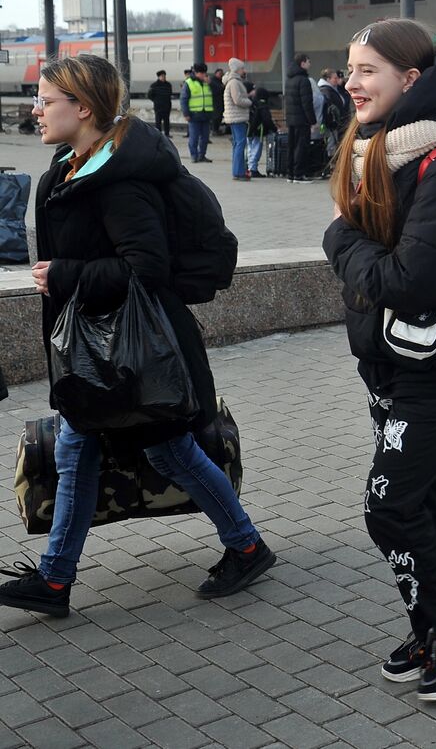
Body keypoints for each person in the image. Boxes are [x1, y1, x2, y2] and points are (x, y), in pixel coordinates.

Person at [0, 54, 274, 620]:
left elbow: (146, 267)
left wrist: (67, 274)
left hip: (138, 352)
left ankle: (246, 546)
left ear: (83, 108)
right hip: (106, 350)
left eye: (46, 100)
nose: (36, 109)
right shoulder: (75, 164)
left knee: (168, 450)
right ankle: (56, 581)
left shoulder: (118, 182)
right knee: (93, 449)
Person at [323, 18, 436, 702]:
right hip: (393, 357)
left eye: (368, 69)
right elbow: (378, 262)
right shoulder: (383, 147)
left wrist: (339, 243)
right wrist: (352, 248)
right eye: (350, 67)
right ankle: (434, 623)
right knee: (415, 494)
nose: (352, 82)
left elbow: (408, 280)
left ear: (411, 80)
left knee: (388, 504)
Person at [285, 52, 317, 184]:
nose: (310, 64)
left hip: (291, 119)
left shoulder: (290, 79)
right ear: (302, 63)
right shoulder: (304, 80)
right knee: (301, 146)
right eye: (308, 62)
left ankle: (291, 174)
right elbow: (307, 103)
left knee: (292, 146)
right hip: (302, 119)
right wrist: (312, 121)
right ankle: (299, 174)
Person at [223, 58, 253, 181]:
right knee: (240, 144)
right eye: (242, 68)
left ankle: (238, 171)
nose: (244, 70)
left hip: (234, 117)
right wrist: (250, 102)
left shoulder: (232, 82)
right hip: (237, 117)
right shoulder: (235, 82)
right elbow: (237, 100)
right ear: (237, 69)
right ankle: (239, 172)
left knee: (237, 144)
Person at [179, 63, 214, 163]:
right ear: (196, 73)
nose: (204, 75)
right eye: (202, 73)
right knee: (194, 137)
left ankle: (202, 155)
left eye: (204, 73)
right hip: (194, 115)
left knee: (205, 137)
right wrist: (186, 114)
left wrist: (210, 83)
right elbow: (184, 99)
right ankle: (194, 155)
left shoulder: (207, 82)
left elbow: (217, 92)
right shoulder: (189, 83)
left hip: (206, 114)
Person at [148, 70, 174, 137]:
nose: (163, 77)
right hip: (158, 106)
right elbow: (149, 95)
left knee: (167, 120)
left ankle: (167, 134)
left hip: (167, 106)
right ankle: (158, 134)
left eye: (164, 76)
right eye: (162, 76)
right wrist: (156, 101)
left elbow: (170, 93)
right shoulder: (154, 85)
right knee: (158, 121)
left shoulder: (168, 85)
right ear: (159, 77)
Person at [210, 68, 226, 133]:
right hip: (216, 101)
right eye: (220, 74)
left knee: (219, 116)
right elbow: (218, 88)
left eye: (222, 74)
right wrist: (222, 87)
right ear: (215, 73)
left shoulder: (219, 81)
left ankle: (216, 129)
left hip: (219, 101)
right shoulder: (213, 81)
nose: (221, 75)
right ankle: (214, 129)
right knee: (216, 116)